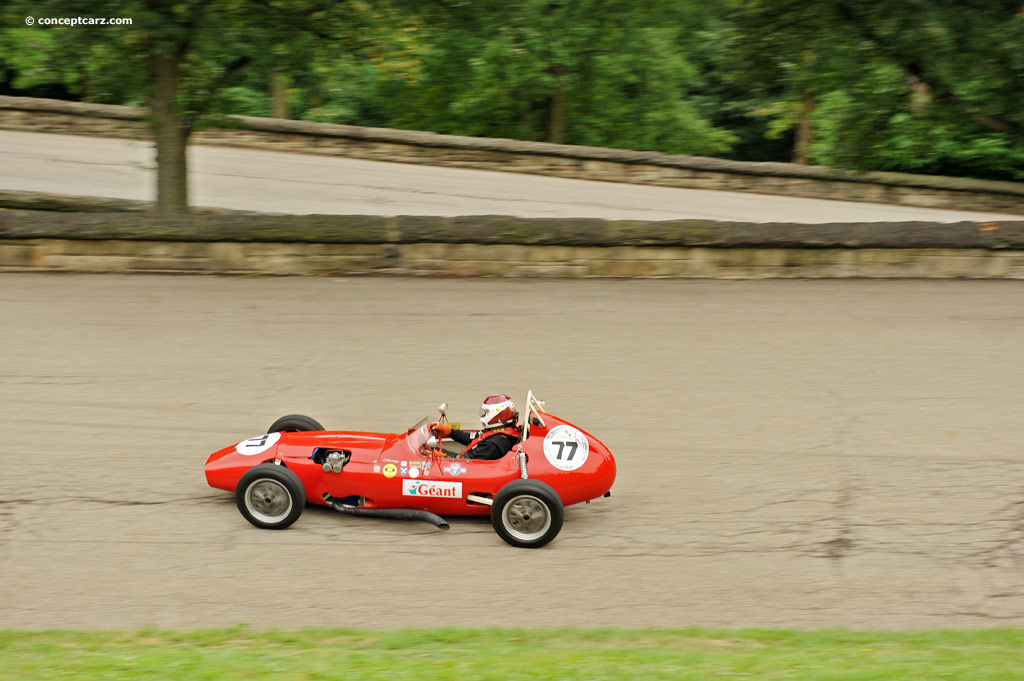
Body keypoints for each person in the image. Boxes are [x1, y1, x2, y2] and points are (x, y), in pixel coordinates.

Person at [430, 394, 521, 460]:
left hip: (471, 471)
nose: (483, 415)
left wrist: (441, 457)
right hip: (471, 464)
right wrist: (448, 431)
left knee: (429, 454)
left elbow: (463, 462)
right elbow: (471, 437)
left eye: (485, 413)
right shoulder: (501, 431)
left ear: (496, 416)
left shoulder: (493, 444)